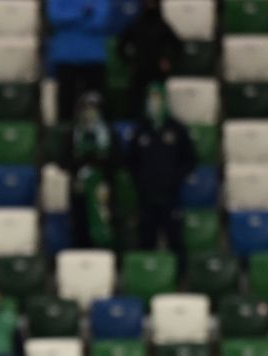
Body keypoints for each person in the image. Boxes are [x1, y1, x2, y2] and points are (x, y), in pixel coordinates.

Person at [127, 83, 197, 271]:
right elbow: (131, 162)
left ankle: (181, 282)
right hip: (146, 197)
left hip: (171, 196)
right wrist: (141, 181)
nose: (154, 103)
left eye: (158, 98)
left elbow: (190, 159)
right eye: (151, 98)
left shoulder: (177, 129)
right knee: (145, 241)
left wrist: (174, 178)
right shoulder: (140, 130)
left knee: (175, 241)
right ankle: (144, 285)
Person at [46, 0, 113, 122]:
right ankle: (66, 139)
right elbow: (55, 18)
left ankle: (91, 139)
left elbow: (101, 22)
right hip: (65, 58)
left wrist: (70, 20)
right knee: (65, 108)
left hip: (94, 58)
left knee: (94, 106)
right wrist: (84, 13)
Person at [68, 92, 117, 249]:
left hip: (103, 186)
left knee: (103, 221)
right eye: (87, 108)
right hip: (80, 187)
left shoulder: (109, 134)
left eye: (94, 108)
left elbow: (117, 160)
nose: (90, 113)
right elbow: (66, 159)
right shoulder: (74, 134)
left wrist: (98, 162)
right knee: (81, 222)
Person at [118, 0, 182, 115]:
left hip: (157, 72)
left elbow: (177, 46)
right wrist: (130, 62)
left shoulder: (162, 25)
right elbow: (121, 47)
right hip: (140, 71)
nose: (150, 4)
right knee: (135, 105)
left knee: (158, 106)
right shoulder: (136, 24)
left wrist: (168, 60)